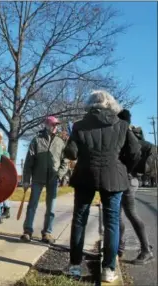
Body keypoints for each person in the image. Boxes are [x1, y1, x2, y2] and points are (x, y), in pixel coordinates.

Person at [64, 90, 141, 282]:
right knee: (112, 222)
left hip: (85, 175)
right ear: (110, 105)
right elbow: (135, 151)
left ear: (90, 105)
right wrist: (123, 168)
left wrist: (71, 141)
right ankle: (108, 269)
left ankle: (74, 266)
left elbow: (71, 154)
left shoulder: (79, 126)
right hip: (113, 175)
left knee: (79, 219)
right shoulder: (122, 125)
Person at [21, 116, 69, 244]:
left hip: (53, 178)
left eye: (56, 125)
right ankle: (27, 231)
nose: (55, 127)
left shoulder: (61, 142)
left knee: (51, 208)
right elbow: (28, 162)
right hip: (37, 177)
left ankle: (47, 233)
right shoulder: (36, 140)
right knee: (32, 205)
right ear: (46, 124)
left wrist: (59, 174)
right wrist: (26, 179)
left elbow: (65, 161)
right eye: (53, 124)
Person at [117, 109, 154, 265]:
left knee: (129, 214)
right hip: (129, 180)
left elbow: (133, 154)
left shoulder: (126, 136)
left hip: (127, 180)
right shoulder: (130, 135)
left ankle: (146, 250)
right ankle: (119, 246)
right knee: (117, 215)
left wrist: (126, 170)